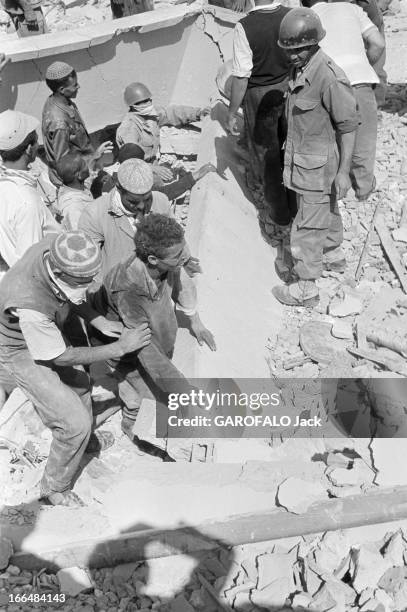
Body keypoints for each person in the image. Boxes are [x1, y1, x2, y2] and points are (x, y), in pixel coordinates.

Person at [0, 230, 151, 507]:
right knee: (73, 423)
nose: (88, 284)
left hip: (47, 326)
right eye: (81, 280)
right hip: (18, 348)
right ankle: (55, 488)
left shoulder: (60, 248)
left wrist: (96, 320)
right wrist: (119, 348)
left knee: (81, 384)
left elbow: (69, 293)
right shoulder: (29, 304)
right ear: (57, 270)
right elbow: (59, 356)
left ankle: (82, 444)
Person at [92, 213, 216, 459]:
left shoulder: (169, 258)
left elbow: (183, 285)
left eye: (183, 251)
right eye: (178, 256)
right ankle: (131, 427)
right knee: (146, 403)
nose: (185, 257)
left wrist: (196, 322)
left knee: (168, 393)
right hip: (128, 351)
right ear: (152, 259)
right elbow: (143, 348)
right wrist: (181, 387)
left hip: (155, 336)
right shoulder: (128, 287)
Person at [272, 8, 359, 307]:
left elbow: (348, 126)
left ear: (314, 43)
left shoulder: (329, 77)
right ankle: (333, 254)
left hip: (318, 166)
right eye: (289, 51)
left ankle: (306, 287)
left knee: (307, 224)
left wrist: (344, 171)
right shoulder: (301, 69)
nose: (293, 56)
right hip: (305, 161)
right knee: (326, 208)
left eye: (299, 50)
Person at [303, 0, 385, 201]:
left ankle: (336, 189)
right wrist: (364, 63)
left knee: (335, 135)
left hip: (330, 82)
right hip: (360, 81)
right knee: (364, 138)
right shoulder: (352, 9)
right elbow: (378, 43)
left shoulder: (308, 17)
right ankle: (363, 188)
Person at [226, 0, 295, 229]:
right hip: (290, 88)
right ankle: (298, 205)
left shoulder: (245, 26)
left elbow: (241, 75)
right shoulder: (290, 14)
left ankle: (280, 216)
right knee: (293, 148)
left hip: (259, 96)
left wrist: (232, 111)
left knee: (267, 158)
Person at [78, 158, 201, 280]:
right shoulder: (94, 214)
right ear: (119, 189)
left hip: (158, 286)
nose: (142, 206)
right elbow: (88, 266)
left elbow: (176, 237)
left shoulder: (160, 201)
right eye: (133, 201)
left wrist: (185, 259)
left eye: (147, 199)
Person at [0, 110, 60, 280]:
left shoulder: (7, 186)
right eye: (36, 141)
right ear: (28, 149)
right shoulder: (26, 202)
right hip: (31, 290)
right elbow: (31, 265)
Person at [116, 82, 210, 184]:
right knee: (159, 185)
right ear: (133, 106)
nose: (147, 104)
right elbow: (131, 162)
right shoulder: (129, 128)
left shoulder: (150, 114)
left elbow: (171, 113)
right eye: (142, 102)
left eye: (148, 100)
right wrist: (154, 169)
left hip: (154, 162)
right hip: (138, 169)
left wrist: (198, 114)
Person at [42, 61, 113, 187]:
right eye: (74, 85)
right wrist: (94, 157)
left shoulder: (58, 100)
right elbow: (64, 164)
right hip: (74, 178)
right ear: (62, 90)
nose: (78, 87)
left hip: (83, 164)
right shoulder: (60, 123)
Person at [90, 143, 217, 201]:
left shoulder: (106, 178)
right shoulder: (133, 187)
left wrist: (95, 158)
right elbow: (165, 193)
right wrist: (197, 175)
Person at [54, 152, 93, 230]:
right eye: (84, 165)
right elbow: (80, 237)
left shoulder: (75, 187)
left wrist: (95, 158)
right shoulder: (74, 208)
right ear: (79, 175)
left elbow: (87, 183)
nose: (87, 166)